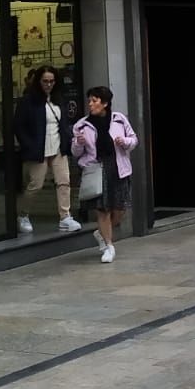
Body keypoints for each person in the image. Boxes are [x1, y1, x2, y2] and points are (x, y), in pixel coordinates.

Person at [72, 85, 137, 263]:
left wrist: (123, 141)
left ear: (105, 103)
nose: (91, 104)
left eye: (95, 101)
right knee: (103, 210)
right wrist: (78, 143)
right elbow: (76, 152)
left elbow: (133, 139)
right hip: (97, 169)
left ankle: (101, 233)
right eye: (90, 101)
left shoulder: (119, 119)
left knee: (120, 209)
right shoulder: (82, 125)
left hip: (118, 168)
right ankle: (109, 246)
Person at [13, 65, 79, 235]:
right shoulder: (28, 101)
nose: (48, 84)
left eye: (51, 81)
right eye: (45, 81)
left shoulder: (58, 99)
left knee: (64, 181)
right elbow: (19, 126)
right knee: (35, 184)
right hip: (38, 148)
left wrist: (67, 141)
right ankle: (23, 214)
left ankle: (65, 216)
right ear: (38, 82)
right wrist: (28, 145)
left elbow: (62, 123)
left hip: (57, 146)